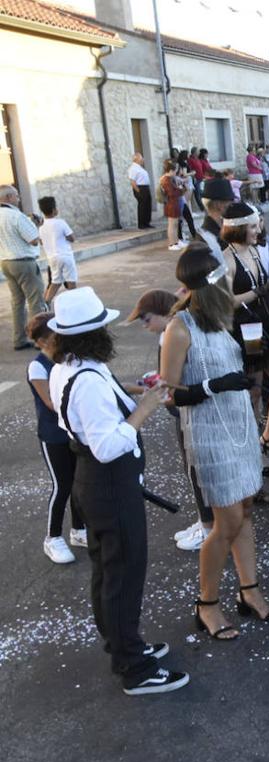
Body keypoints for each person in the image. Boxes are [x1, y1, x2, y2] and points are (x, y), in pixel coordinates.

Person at [47, 287, 186, 694]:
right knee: (122, 576)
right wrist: (143, 411)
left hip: (93, 484)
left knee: (109, 572)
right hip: (109, 483)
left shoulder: (68, 367)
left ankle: (124, 645)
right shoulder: (87, 377)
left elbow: (89, 412)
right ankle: (133, 667)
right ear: (93, 333)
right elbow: (107, 446)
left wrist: (133, 393)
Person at [161, 245, 269, 638]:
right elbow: (169, 392)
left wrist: (248, 367)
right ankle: (207, 602)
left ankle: (249, 591)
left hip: (241, 424)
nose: (226, 281)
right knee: (225, 521)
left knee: (244, 511)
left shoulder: (223, 315)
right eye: (219, 276)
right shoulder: (180, 327)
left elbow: (233, 362)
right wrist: (216, 384)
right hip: (209, 433)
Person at [125, 288, 213, 551]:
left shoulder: (175, 333)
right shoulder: (171, 331)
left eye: (147, 319)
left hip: (190, 410)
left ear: (165, 313)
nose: (145, 326)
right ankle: (205, 520)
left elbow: (174, 384)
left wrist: (141, 389)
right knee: (193, 468)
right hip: (185, 409)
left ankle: (209, 527)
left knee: (197, 469)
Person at [220, 203, 269, 470]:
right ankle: (255, 455)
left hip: (266, 327)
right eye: (252, 226)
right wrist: (259, 291)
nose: (258, 229)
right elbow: (227, 303)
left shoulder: (253, 250)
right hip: (245, 332)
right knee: (253, 394)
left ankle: (267, 436)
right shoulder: (227, 260)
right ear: (238, 229)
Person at [25, 312, 87, 564]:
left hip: (74, 431)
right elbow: (51, 403)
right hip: (53, 436)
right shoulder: (37, 366)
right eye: (55, 336)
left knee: (80, 484)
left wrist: (140, 388)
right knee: (62, 485)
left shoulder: (68, 359)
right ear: (41, 341)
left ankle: (79, 531)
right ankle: (52, 538)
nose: (62, 339)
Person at [1, 185, 48, 348]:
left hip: (6, 262)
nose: (18, 198)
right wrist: (35, 225)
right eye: (16, 195)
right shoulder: (16, 216)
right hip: (24, 262)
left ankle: (19, 339)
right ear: (8, 198)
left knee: (17, 302)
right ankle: (38, 338)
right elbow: (33, 239)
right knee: (36, 300)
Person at [36, 196, 77, 303]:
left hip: (52, 258)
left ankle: (46, 304)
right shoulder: (61, 222)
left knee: (55, 282)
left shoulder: (41, 227)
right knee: (71, 281)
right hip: (65, 255)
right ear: (54, 210)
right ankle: (75, 303)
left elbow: (41, 241)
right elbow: (72, 238)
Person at [158, 159, 186, 251]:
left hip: (174, 203)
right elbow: (172, 193)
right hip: (171, 204)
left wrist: (180, 189)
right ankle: (171, 243)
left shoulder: (169, 179)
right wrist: (181, 189)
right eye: (175, 170)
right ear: (170, 170)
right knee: (172, 224)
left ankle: (176, 241)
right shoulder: (166, 180)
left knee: (175, 224)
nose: (176, 172)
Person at [128, 152, 153, 229]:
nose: (143, 159)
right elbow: (132, 181)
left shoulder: (139, 167)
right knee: (142, 206)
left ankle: (147, 222)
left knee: (147, 205)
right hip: (140, 188)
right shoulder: (133, 168)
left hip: (145, 188)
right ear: (136, 159)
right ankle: (141, 224)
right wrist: (138, 191)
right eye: (141, 158)